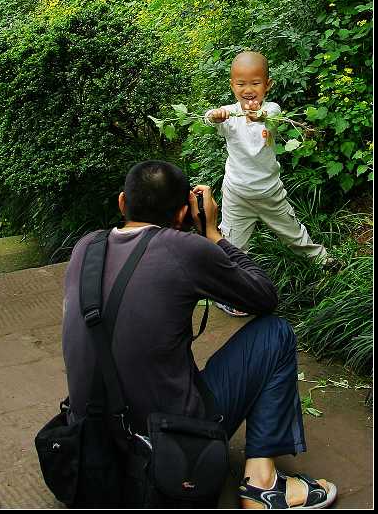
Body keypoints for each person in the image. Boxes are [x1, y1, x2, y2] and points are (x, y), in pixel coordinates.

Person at [62, 160, 337, 509]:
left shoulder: (87, 248)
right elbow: (264, 297)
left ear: (121, 203)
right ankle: (263, 486)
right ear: (182, 213)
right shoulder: (184, 249)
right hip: (168, 443)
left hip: (93, 441)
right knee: (276, 333)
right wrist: (213, 234)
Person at [205, 50, 330, 317]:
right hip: (237, 195)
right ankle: (233, 294)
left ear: (268, 85)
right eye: (241, 84)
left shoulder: (271, 110)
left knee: (293, 232)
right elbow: (209, 117)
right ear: (232, 85)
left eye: (255, 83)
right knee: (233, 246)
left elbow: (270, 117)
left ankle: (323, 260)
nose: (248, 90)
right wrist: (213, 116)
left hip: (270, 194)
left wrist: (260, 116)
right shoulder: (229, 115)